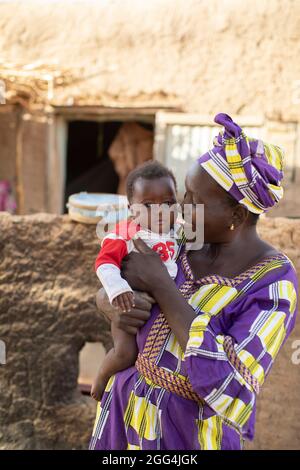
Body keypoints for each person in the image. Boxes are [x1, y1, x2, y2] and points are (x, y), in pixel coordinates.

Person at [89, 113, 298, 450]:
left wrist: (162, 287)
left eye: (194, 200)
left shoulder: (274, 284)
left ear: (236, 215)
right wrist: (107, 302)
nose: (182, 209)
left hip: (191, 436)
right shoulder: (181, 239)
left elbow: (233, 385)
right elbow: (118, 272)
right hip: (123, 417)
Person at [91, 161, 181, 401]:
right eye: (149, 205)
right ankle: (100, 377)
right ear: (132, 209)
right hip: (129, 305)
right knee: (125, 353)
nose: (160, 211)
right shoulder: (125, 234)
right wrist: (118, 290)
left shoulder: (178, 233)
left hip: (162, 310)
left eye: (168, 203)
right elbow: (105, 263)